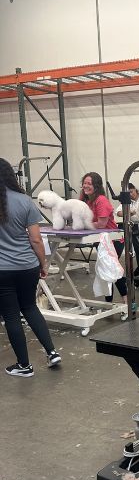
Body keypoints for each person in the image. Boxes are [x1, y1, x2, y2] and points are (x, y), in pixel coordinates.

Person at [0, 158, 61, 377]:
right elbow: (36, 239)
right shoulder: (25, 201)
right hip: (27, 266)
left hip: (3, 270)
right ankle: (52, 352)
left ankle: (24, 366)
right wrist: (42, 263)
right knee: (30, 307)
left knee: (11, 316)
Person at [80, 172, 127, 304]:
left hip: (113, 240)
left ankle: (127, 301)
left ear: (96, 186)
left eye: (89, 183)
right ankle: (109, 303)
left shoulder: (101, 200)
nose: (86, 185)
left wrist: (83, 225)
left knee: (111, 269)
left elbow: (101, 224)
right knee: (106, 269)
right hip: (99, 239)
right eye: (84, 183)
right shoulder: (85, 200)